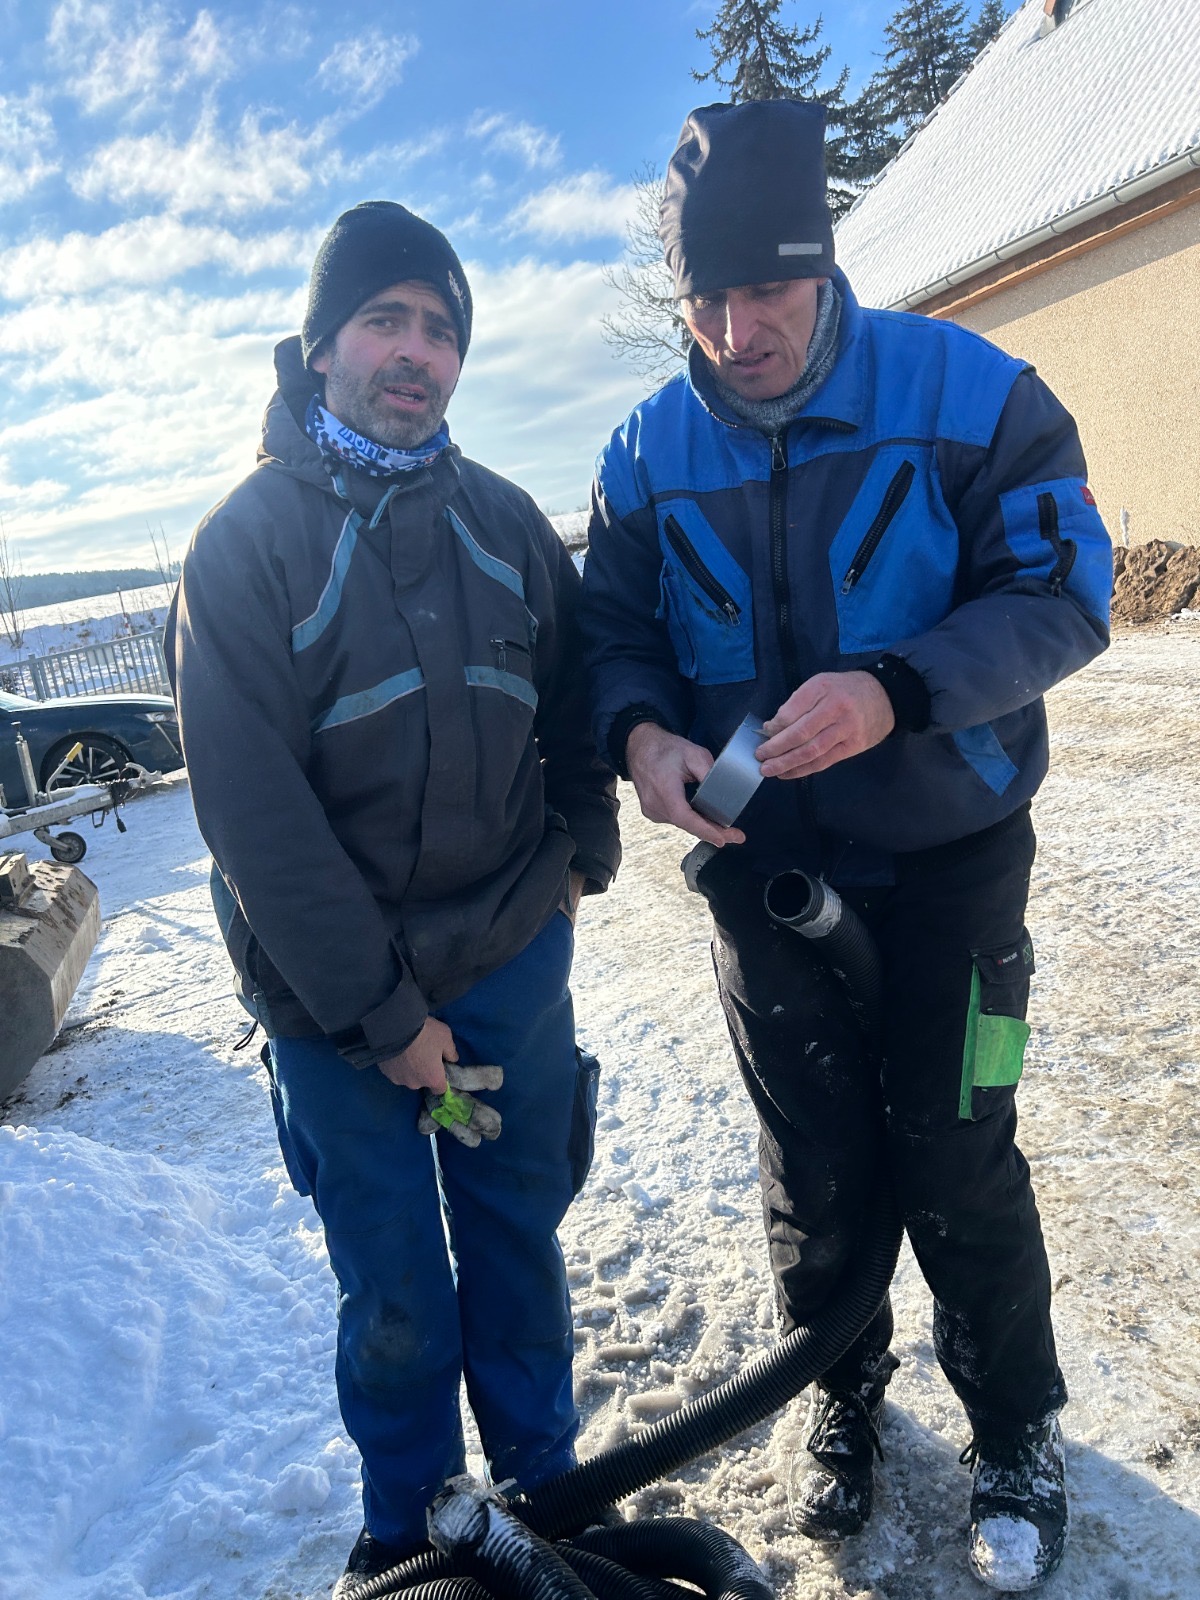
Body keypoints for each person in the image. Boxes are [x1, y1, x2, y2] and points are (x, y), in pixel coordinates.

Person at [579, 100, 1111, 1592]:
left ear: (824, 267)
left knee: (959, 1147)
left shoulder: (969, 392)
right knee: (812, 1160)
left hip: (955, 861)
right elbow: (611, 637)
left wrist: (899, 690)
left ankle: (1016, 1425)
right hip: (761, 872)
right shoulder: (642, 454)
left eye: (769, 290)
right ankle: (842, 1387)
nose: (735, 331)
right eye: (707, 297)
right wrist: (641, 736)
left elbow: (1067, 591)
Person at [168, 201, 620, 1596]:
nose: (414, 351)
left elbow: (576, 700)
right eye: (384, 320)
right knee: (397, 1285)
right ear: (322, 347)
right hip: (335, 1010)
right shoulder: (245, 547)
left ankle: (543, 1491)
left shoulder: (505, 524)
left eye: (439, 327)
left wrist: (581, 853)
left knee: (515, 1241)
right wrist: (382, 1015)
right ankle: (412, 1526)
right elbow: (254, 816)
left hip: (503, 972)